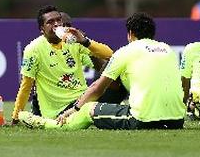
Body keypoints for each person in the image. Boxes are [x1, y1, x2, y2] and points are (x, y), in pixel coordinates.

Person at [45, 12, 185, 130]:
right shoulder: (168, 49)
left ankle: (55, 125)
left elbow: (97, 88)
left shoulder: (125, 51)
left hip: (144, 120)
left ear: (130, 34)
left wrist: (74, 109)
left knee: (89, 109)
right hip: (177, 120)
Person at [12, 5, 114, 123]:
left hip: (83, 99)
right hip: (61, 109)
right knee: (95, 110)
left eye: (58, 20)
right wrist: (15, 118)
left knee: (117, 71)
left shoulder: (73, 41)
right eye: (50, 22)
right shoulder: (33, 49)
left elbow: (109, 55)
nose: (56, 24)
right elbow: (26, 86)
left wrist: (84, 41)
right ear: (42, 29)